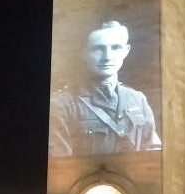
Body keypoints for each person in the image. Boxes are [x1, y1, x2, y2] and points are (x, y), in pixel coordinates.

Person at [49, 20, 162, 156]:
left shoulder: (138, 99)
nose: (107, 57)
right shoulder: (63, 105)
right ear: (84, 53)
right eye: (98, 49)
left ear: (126, 51)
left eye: (115, 48)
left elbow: (153, 152)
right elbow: (61, 166)